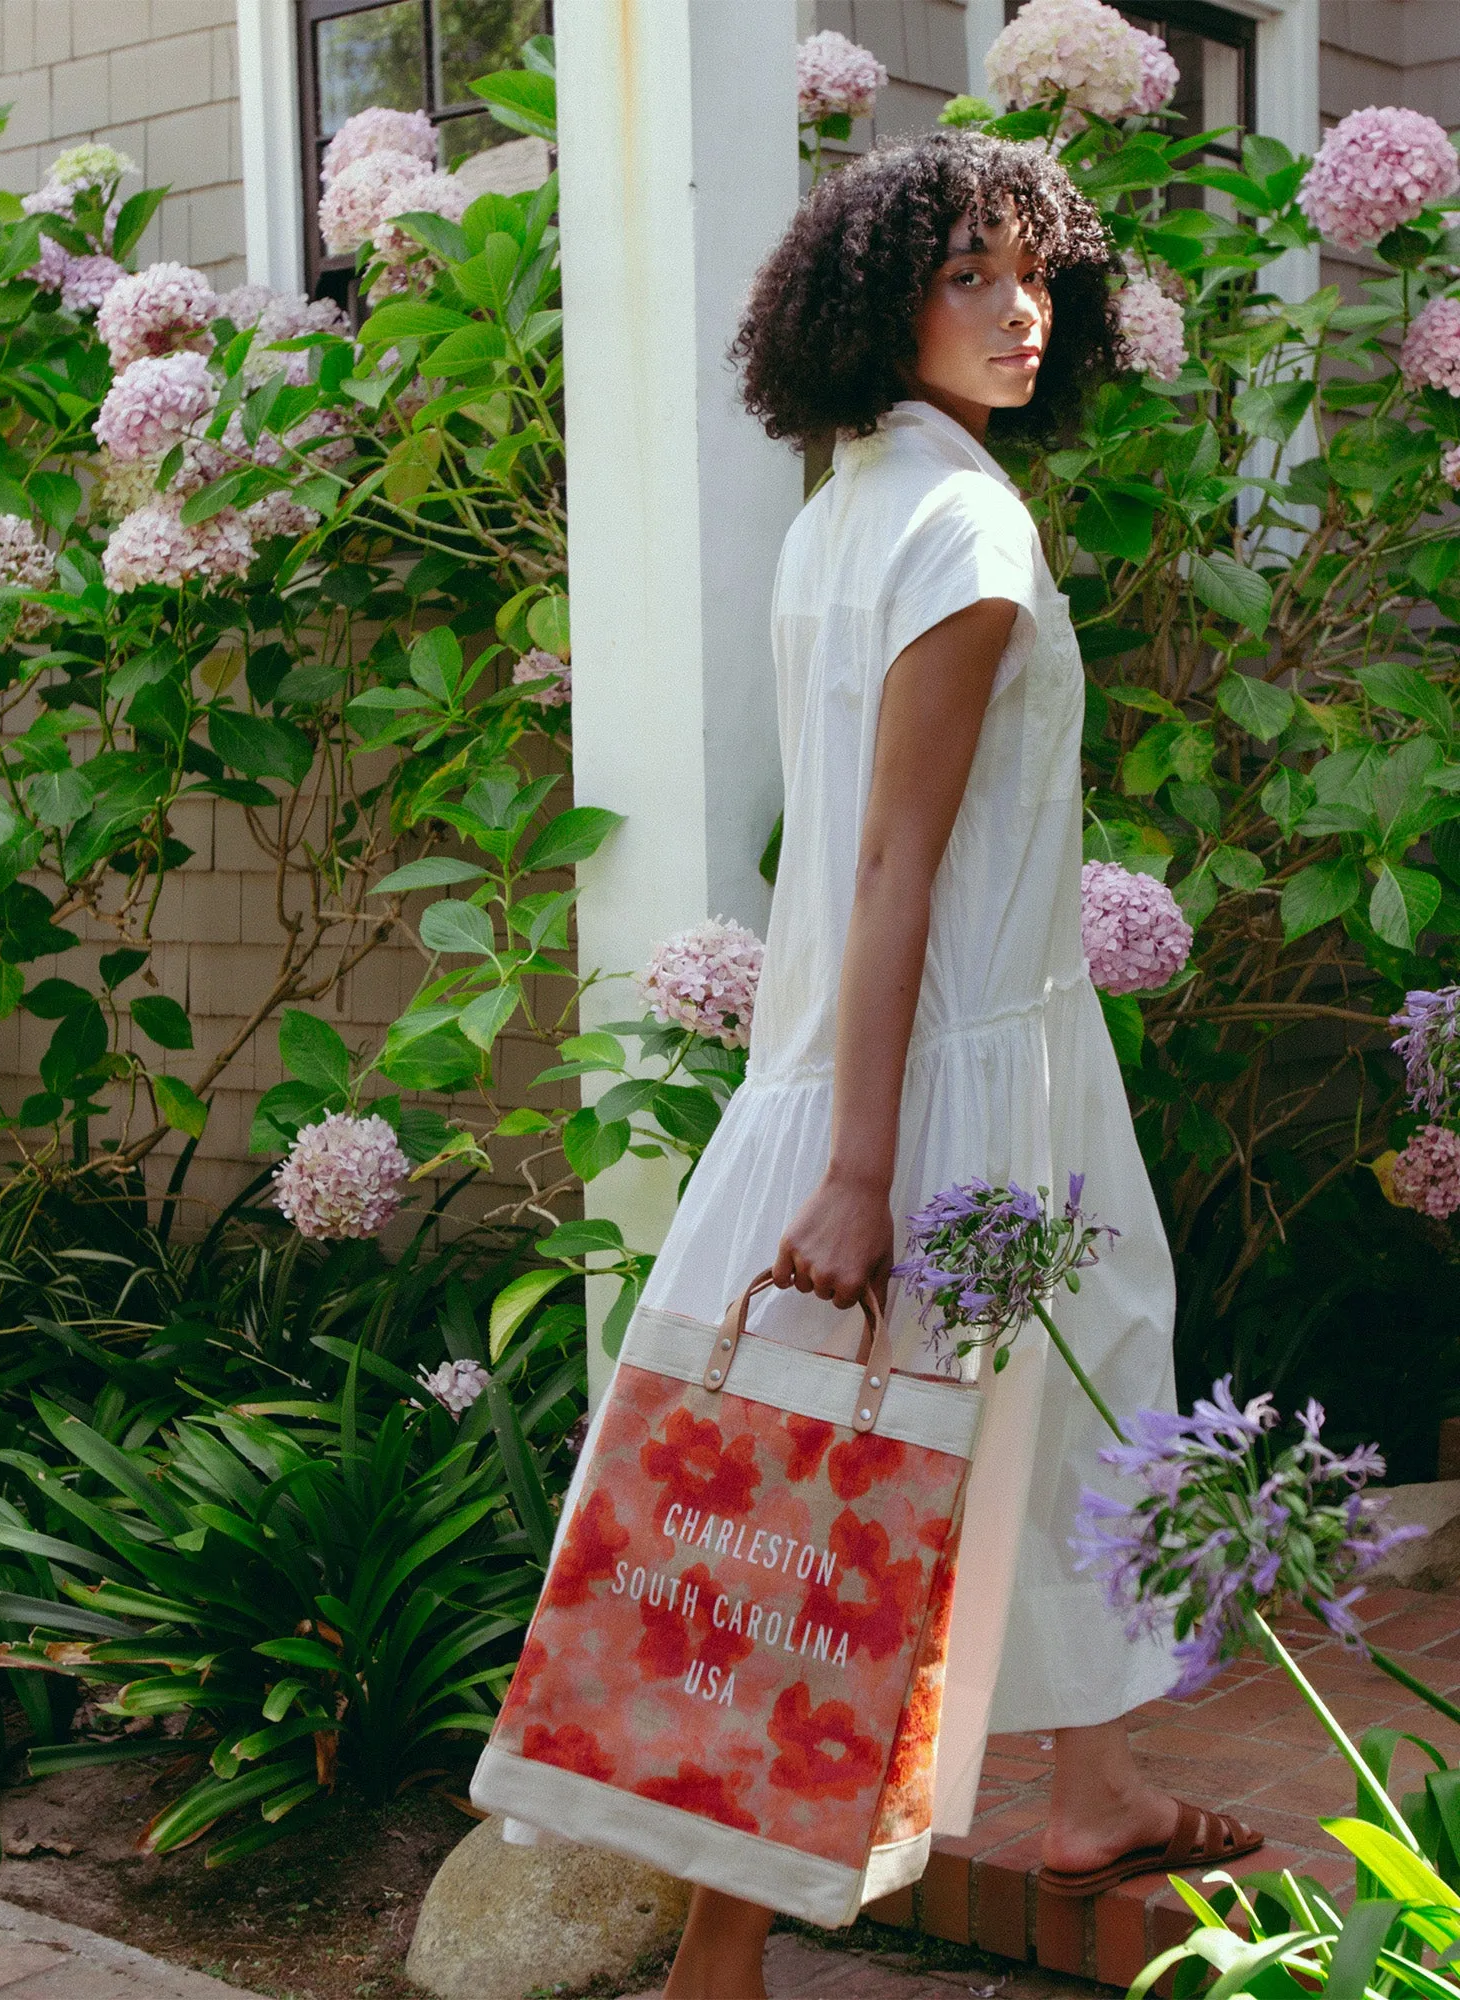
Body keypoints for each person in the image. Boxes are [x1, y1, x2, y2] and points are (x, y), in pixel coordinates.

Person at [643, 131, 1262, 1999]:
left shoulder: (854, 503)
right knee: (838, 1513)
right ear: (878, 300)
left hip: (906, 1060)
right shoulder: (968, 526)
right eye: (969, 276)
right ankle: (714, 1956)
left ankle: (1095, 1789)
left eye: (1035, 277)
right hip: (946, 1084)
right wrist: (858, 1173)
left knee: (1050, 1416)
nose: (1017, 311)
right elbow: (897, 856)